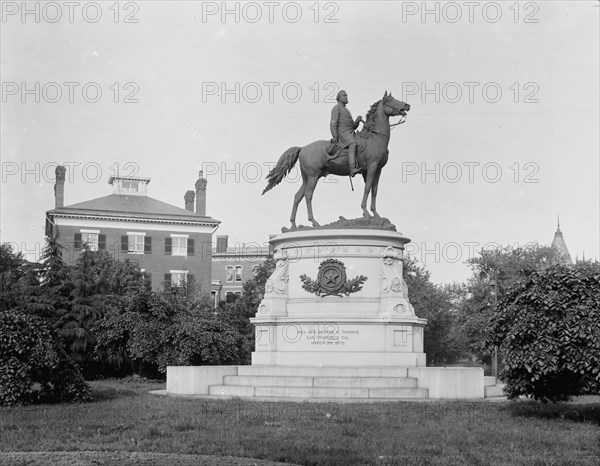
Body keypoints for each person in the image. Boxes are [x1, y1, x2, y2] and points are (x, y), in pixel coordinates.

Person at [330, 90, 363, 176]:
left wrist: (357, 120)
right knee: (353, 144)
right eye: (344, 95)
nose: (346, 97)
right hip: (342, 133)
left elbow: (352, 126)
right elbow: (333, 123)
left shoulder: (346, 110)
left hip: (350, 132)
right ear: (339, 98)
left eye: (347, 95)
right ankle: (352, 168)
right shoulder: (337, 108)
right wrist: (335, 136)